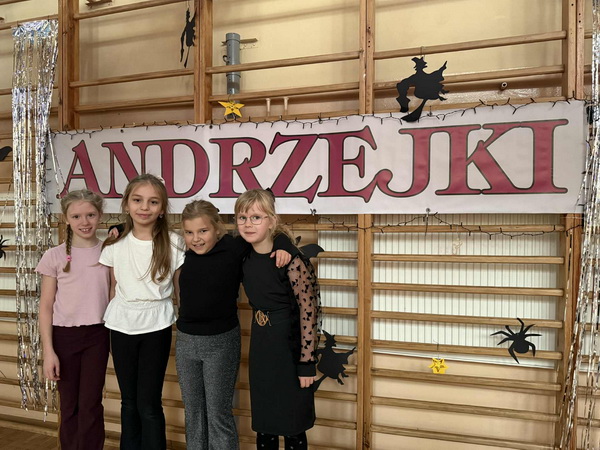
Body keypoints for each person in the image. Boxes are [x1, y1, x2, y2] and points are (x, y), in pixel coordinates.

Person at [176, 199, 294, 450]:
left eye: (203, 231)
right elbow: (146, 230)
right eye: (189, 232)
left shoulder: (233, 247)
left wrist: (284, 246)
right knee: (193, 412)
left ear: (217, 228)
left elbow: (274, 232)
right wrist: (118, 228)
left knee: (218, 413)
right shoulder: (183, 251)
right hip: (185, 341)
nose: (196, 238)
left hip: (220, 342)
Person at [100, 173, 185, 450]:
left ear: (162, 208)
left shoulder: (174, 242)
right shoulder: (115, 243)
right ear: (126, 204)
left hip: (156, 326)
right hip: (121, 325)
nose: (144, 207)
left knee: (149, 403)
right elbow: (113, 288)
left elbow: (179, 290)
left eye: (153, 202)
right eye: (137, 200)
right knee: (128, 402)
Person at [234, 189, 321, 450]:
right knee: (265, 421)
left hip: (289, 347)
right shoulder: (243, 255)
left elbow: (309, 311)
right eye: (242, 218)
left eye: (256, 217)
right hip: (262, 346)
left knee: (293, 423)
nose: (248, 224)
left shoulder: (291, 260)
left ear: (272, 221)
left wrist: (307, 363)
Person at [37, 189, 110, 450]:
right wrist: (48, 352)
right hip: (64, 336)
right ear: (66, 219)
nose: (84, 222)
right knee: (69, 405)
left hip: (98, 336)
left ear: (100, 215)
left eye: (91, 215)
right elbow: (46, 306)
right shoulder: (54, 256)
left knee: (91, 403)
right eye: (76, 216)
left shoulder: (109, 252)